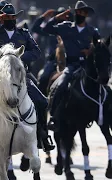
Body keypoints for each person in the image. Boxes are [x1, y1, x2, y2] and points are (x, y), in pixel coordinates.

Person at [0, 3, 55, 152]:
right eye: (7, 17)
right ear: (2, 18)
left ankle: (43, 135)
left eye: (12, 17)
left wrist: (16, 59)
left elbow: (36, 52)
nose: (10, 19)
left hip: (20, 74)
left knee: (41, 101)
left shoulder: (23, 33)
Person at [43, 1, 100, 131]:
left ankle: (103, 115)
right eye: (78, 12)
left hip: (87, 65)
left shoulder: (92, 30)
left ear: (86, 14)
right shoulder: (66, 27)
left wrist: (91, 50)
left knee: (102, 87)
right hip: (72, 65)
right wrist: (58, 17)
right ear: (75, 13)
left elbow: (100, 47)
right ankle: (53, 117)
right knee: (60, 84)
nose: (80, 14)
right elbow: (46, 29)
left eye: (83, 12)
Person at [32, 7, 67, 95]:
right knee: (43, 78)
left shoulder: (69, 29)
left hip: (67, 62)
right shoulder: (50, 30)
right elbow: (35, 28)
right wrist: (44, 16)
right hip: (52, 61)